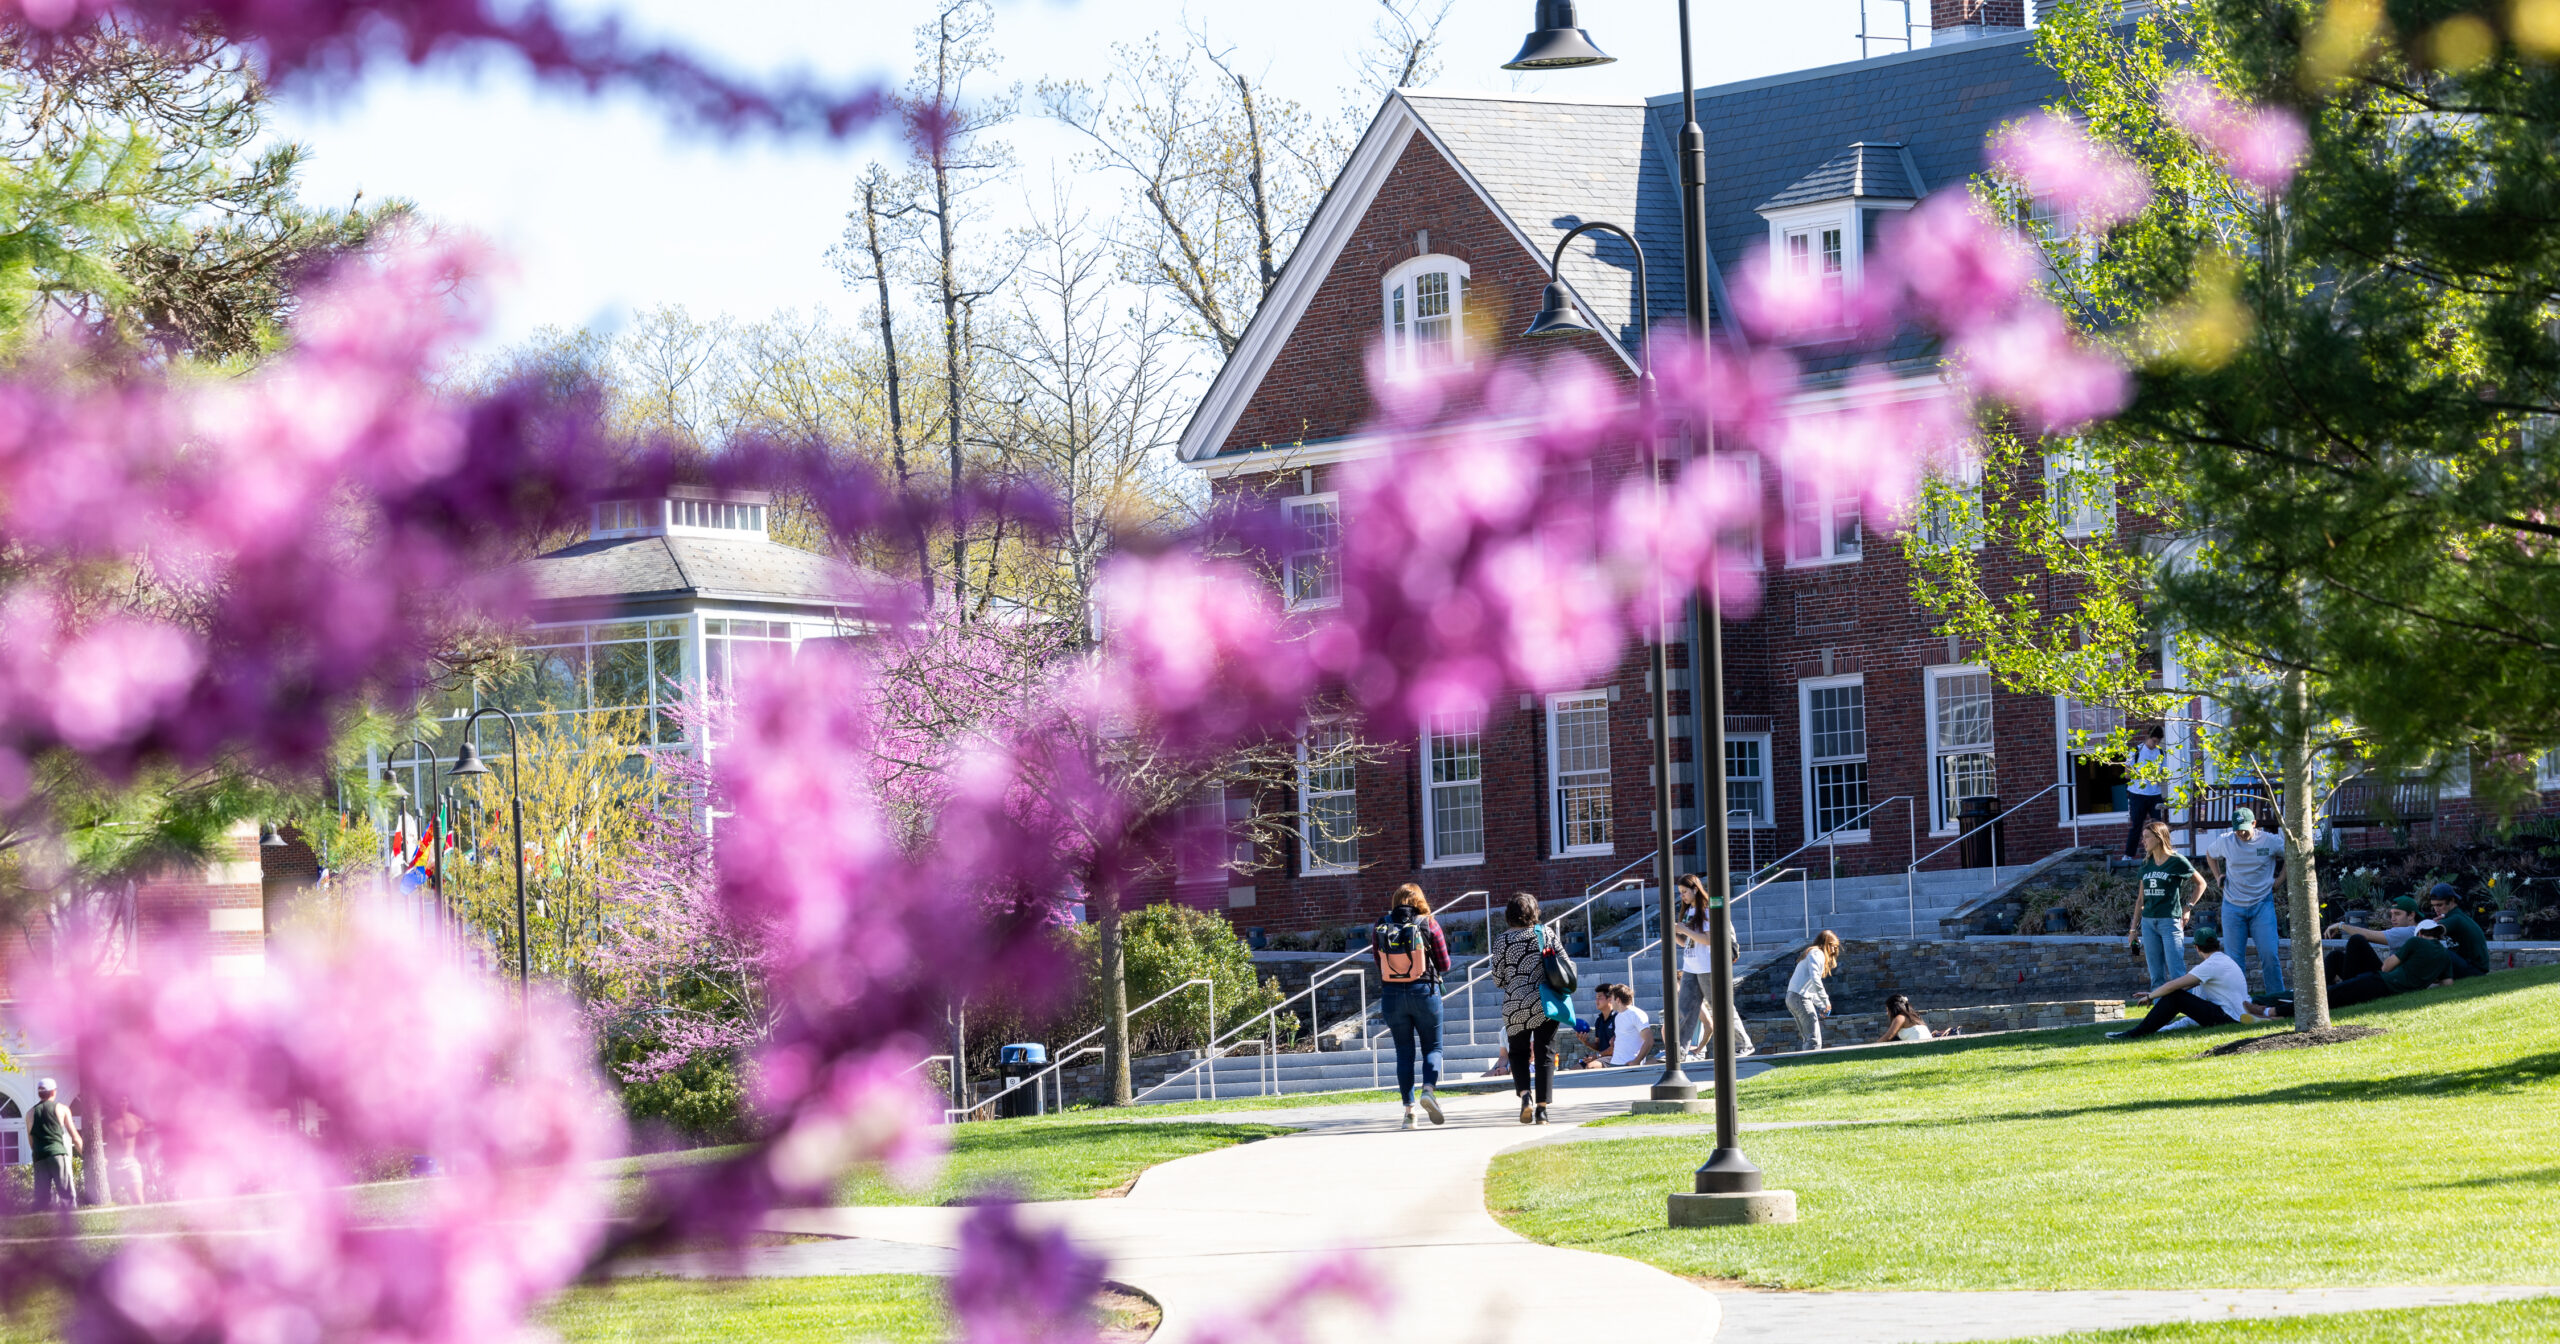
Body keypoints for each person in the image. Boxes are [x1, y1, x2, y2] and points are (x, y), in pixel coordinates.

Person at [1371, 883, 1451, 1130]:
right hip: (1425, 991)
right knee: (1433, 1047)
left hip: (1392, 995)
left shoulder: (1381, 925)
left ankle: (1409, 1113)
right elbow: (1445, 964)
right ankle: (1428, 1090)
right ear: (1420, 901)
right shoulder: (1429, 924)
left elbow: (1378, 962)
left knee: (1404, 1053)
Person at [2108, 927, 2273, 1038]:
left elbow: (2174, 986)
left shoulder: (2209, 966)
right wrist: (2156, 994)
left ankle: (2137, 1033)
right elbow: (2183, 988)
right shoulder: (2224, 960)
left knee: (2175, 997)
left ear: (2196, 947)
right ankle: (2151, 1029)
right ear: (2217, 944)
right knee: (2175, 996)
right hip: (2236, 1013)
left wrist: (2150, 996)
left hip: (2228, 1017)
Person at [1491, 891, 1562, 1125]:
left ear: (1509, 914)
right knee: (1545, 1053)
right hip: (1545, 1002)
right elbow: (1563, 963)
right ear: (1534, 911)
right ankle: (1542, 1110)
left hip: (1515, 1005)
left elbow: (1498, 979)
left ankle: (1525, 1096)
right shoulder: (1545, 933)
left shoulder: (1502, 940)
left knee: (1518, 1052)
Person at [2205, 807, 2287, 996]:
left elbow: (2291, 855)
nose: (2240, 834)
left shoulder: (2270, 841)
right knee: (2234, 960)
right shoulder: (2226, 841)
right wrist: (2218, 876)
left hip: (2262, 904)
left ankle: (2277, 999)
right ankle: (2238, 1001)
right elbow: (2210, 854)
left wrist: (2279, 881)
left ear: (2254, 824)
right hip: (2232, 906)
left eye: (2244, 829)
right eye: (2237, 829)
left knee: (2269, 954)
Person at [1673, 874, 1756, 1058]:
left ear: (1695, 889)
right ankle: (1680, 1050)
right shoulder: (1690, 911)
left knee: (1721, 1007)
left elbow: (1708, 940)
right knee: (1685, 1009)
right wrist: (1675, 934)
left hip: (1708, 967)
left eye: (1684, 891)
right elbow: (1687, 942)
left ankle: (1744, 1044)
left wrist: (1684, 929)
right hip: (1690, 966)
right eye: (1680, 892)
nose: (1682, 896)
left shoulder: (1707, 909)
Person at [2126, 820, 2204, 987]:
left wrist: (2188, 907)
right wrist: (2133, 930)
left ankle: (2185, 1004)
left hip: (2170, 922)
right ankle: (2159, 1003)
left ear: (2158, 838)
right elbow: (2140, 899)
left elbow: (2201, 884)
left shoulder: (2177, 861)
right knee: (2156, 976)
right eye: (2143, 837)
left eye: (2147, 837)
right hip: (2148, 924)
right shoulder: (2146, 864)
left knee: (2177, 973)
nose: (2143, 841)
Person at [2327, 918, 2457, 1007]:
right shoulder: (2445, 955)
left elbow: (2386, 968)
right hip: (2388, 985)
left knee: (2332, 995)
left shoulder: (2416, 942)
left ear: (2420, 933)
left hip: (2383, 982)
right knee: (2336, 957)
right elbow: (2447, 984)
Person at [2323, 898, 2422, 980]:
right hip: (2388, 976)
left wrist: (2341, 926)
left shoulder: (2410, 931)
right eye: (2391, 914)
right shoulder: (2412, 931)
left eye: (2397, 914)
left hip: (2390, 981)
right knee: (2335, 957)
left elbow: (2368, 935)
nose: (2393, 918)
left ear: (2411, 915)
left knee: (2357, 940)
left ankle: (2344, 990)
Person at [28, 1079, 79, 1212]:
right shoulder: (62, 1109)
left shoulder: (30, 1113)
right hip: (57, 1154)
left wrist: (39, 1152)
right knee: (66, 1194)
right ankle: (70, 1217)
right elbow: (75, 1137)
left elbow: (31, 1141)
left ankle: (42, 1219)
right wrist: (84, 1152)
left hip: (39, 1156)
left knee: (41, 1198)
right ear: (53, 1092)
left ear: (39, 1093)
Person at [2121, 726, 2169, 860]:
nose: (2155, 744)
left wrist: (2159, 776)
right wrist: (2142, 774)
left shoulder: (2160, 752)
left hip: (2155, 795)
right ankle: (2128, 855)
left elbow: (2163, 773)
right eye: (2154, 741)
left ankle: (2161, 855)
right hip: (2137, 794)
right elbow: (2127, 775)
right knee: (2136, 825)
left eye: (2158, 742)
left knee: (2158, 827)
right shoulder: (2135, 752)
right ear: (2148, 737)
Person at [1786, 931, 1839, 1052]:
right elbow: (1815, 980)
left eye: (1836, 947)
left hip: (1794, 997)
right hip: (1799, 998)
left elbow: (1810, 987)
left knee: (1809, 1038)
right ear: (1825, 943)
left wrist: (1822, 1005)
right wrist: (1826, 1001)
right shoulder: (1817, 953)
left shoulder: (1811, 953)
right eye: (1832, 945)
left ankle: (1806, 1061)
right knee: (1814, 1040)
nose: (1833, 950)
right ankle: (1811, 1061)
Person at [2424, 883, 2491, 979]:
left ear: (2452, 900)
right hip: (2468, 964)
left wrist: (2430, 927)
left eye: (2439, 905)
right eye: (2434, 906)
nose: (2436, 909)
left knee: (2438, 951)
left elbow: (2435, 932)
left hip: (2474, 969)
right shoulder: (2454, 916)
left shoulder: (2455, 918)